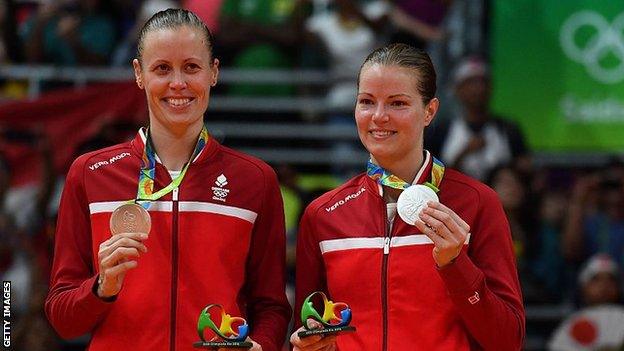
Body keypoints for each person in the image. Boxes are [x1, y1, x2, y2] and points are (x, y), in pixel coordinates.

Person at [45, 9, 291, 351]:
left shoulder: (255, 180)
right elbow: (62, 318)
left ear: (213, 73)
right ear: (139, 74)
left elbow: (271, 306)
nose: (178, 83)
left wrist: (261, 345)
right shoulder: (90, 173)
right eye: (162, 68)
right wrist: (101, 287)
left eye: (191, 67)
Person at [291, 43, 524, 350]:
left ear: (430, 111)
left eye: (397, 103)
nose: (378, 116)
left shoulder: (477, 203)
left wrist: (455, 264)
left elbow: (507, 339)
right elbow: (307, 332)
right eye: (366, 101)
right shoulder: (323, 214)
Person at [426, 57, 530, 181]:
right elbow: (431, 178)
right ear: (458, 89)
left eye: (483, 82)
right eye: (471, 83)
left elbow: (523, 170)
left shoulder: (508, 129)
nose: (478, 89)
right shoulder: (441, 132)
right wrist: (464, 154)